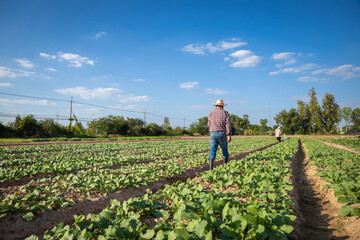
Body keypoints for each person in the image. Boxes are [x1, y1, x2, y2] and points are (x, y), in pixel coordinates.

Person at [207, 99, 232, 170]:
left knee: (212, 151)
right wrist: (229, 135)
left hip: (213, 133)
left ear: (216, 106)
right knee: (224, 149)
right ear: (222, 106)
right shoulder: (225, 113)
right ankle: (225, 167)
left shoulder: (211, 113)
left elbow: (208, 124)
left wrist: (211, 130)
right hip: (222, 133)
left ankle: (210, 169)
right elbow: (228, 124)